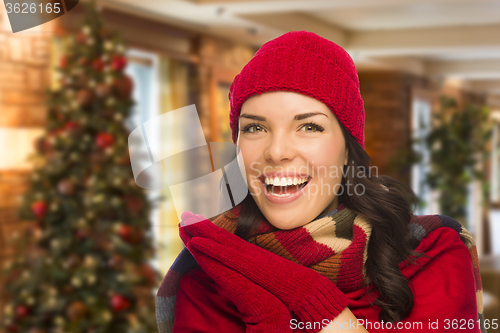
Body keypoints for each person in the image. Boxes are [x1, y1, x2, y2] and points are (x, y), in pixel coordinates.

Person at [156, 31, 486, 333]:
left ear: (347, 150)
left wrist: (312, 300)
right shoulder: (205, 272)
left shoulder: (430, 252)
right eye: (255, 128)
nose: (277, 151)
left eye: (310, 127)